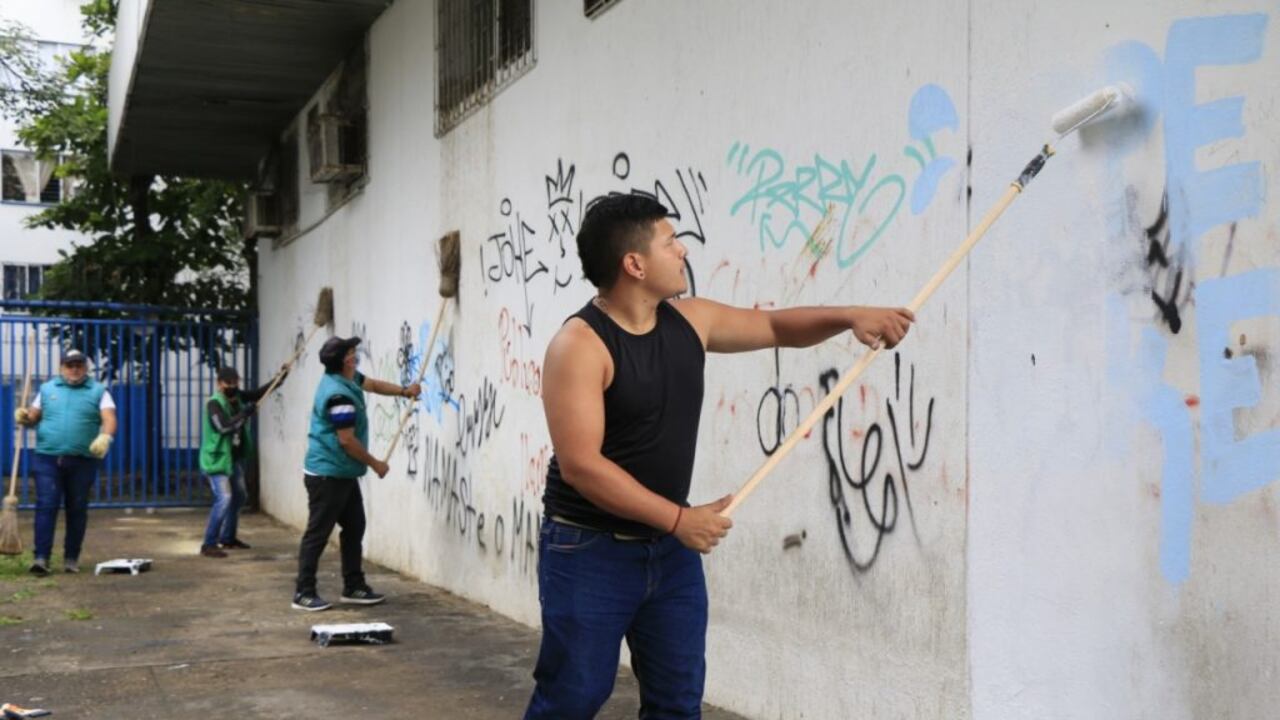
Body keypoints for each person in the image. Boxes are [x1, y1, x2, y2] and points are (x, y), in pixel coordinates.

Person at [524, 195, 915, 718]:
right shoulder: (580, 346)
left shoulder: (692, 320)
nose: (682, 249)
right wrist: (680, 519)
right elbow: (582, 466)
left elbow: (777, 328)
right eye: (669, 241)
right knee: (572, 699)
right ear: (634, 265)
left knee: (678, 703)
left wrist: (851, 316)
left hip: (670, 551)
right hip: (590, 549)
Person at [292, 336, 421, 612]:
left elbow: (373, 385)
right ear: (346, 360)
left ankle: (353, 585)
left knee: (354, 526)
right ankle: (303, 592)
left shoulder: (347, 379)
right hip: (327, 475)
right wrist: (376, 464)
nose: (355, 354)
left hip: (342, 473)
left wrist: (404, 391)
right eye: (352, 352)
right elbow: (346, 441)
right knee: (318, 533)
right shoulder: (338, 396)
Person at [14, 349, 118, 576]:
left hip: (82, 461)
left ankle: (71, 558)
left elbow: (109, 418)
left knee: (77, 509)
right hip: (47, 459)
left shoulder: (99, 391)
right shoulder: (47, 389)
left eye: (79, 364)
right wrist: (25, 416)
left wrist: (105, 437)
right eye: (70, 365)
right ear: (62, 367)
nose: (74, 369)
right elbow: (34, 416)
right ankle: (41, 558)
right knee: (46, 506)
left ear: (86, 367)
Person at [197, 364, 288, 558]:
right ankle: (209, 544)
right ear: (219, 384)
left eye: (235, 382)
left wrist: (280, 377)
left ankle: (228, 538)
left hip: (233, 458)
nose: (232, 386)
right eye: (228, 383)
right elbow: (222, 427)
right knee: (224, 499)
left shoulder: (237, 396)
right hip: (216, 460)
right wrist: (244, 414)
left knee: (239, 497)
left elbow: (259, 393)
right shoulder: (214, 403)